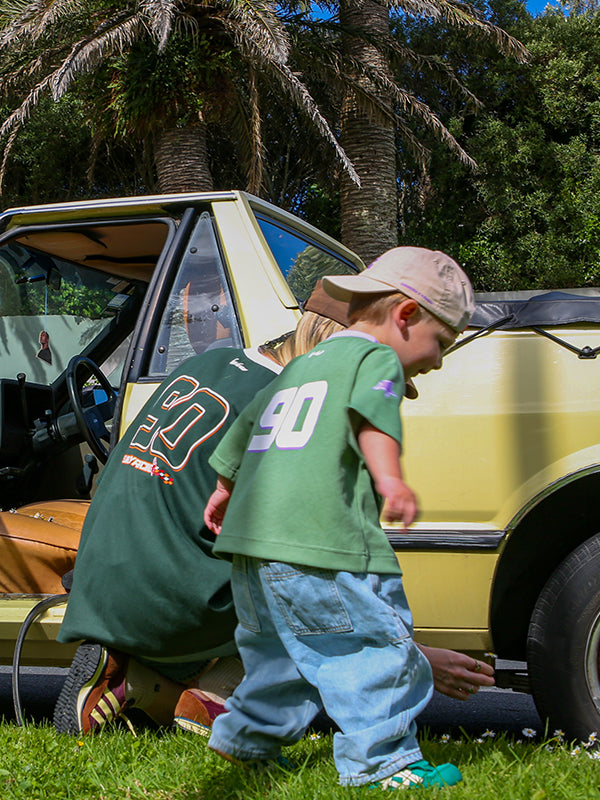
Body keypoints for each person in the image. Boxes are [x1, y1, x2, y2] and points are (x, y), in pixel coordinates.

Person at [54, 278, 493, 737]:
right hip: (173, 605)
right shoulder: (300, 414)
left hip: (99, 586)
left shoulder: (210, 361)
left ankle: (137, 680)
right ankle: (222, 699)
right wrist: (412, 655)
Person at [203, 247, 475, 789]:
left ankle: (245, 743)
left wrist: (223, 489)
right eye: (441, 343)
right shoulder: (375, 360)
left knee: (278, 657)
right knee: (372, 649)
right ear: (405, 315)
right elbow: (371, 418)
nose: (438, 361)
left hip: (254, 551)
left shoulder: (301, 365)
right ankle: (386, 765)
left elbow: (244, 429)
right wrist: (390, 478)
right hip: (323, 545)